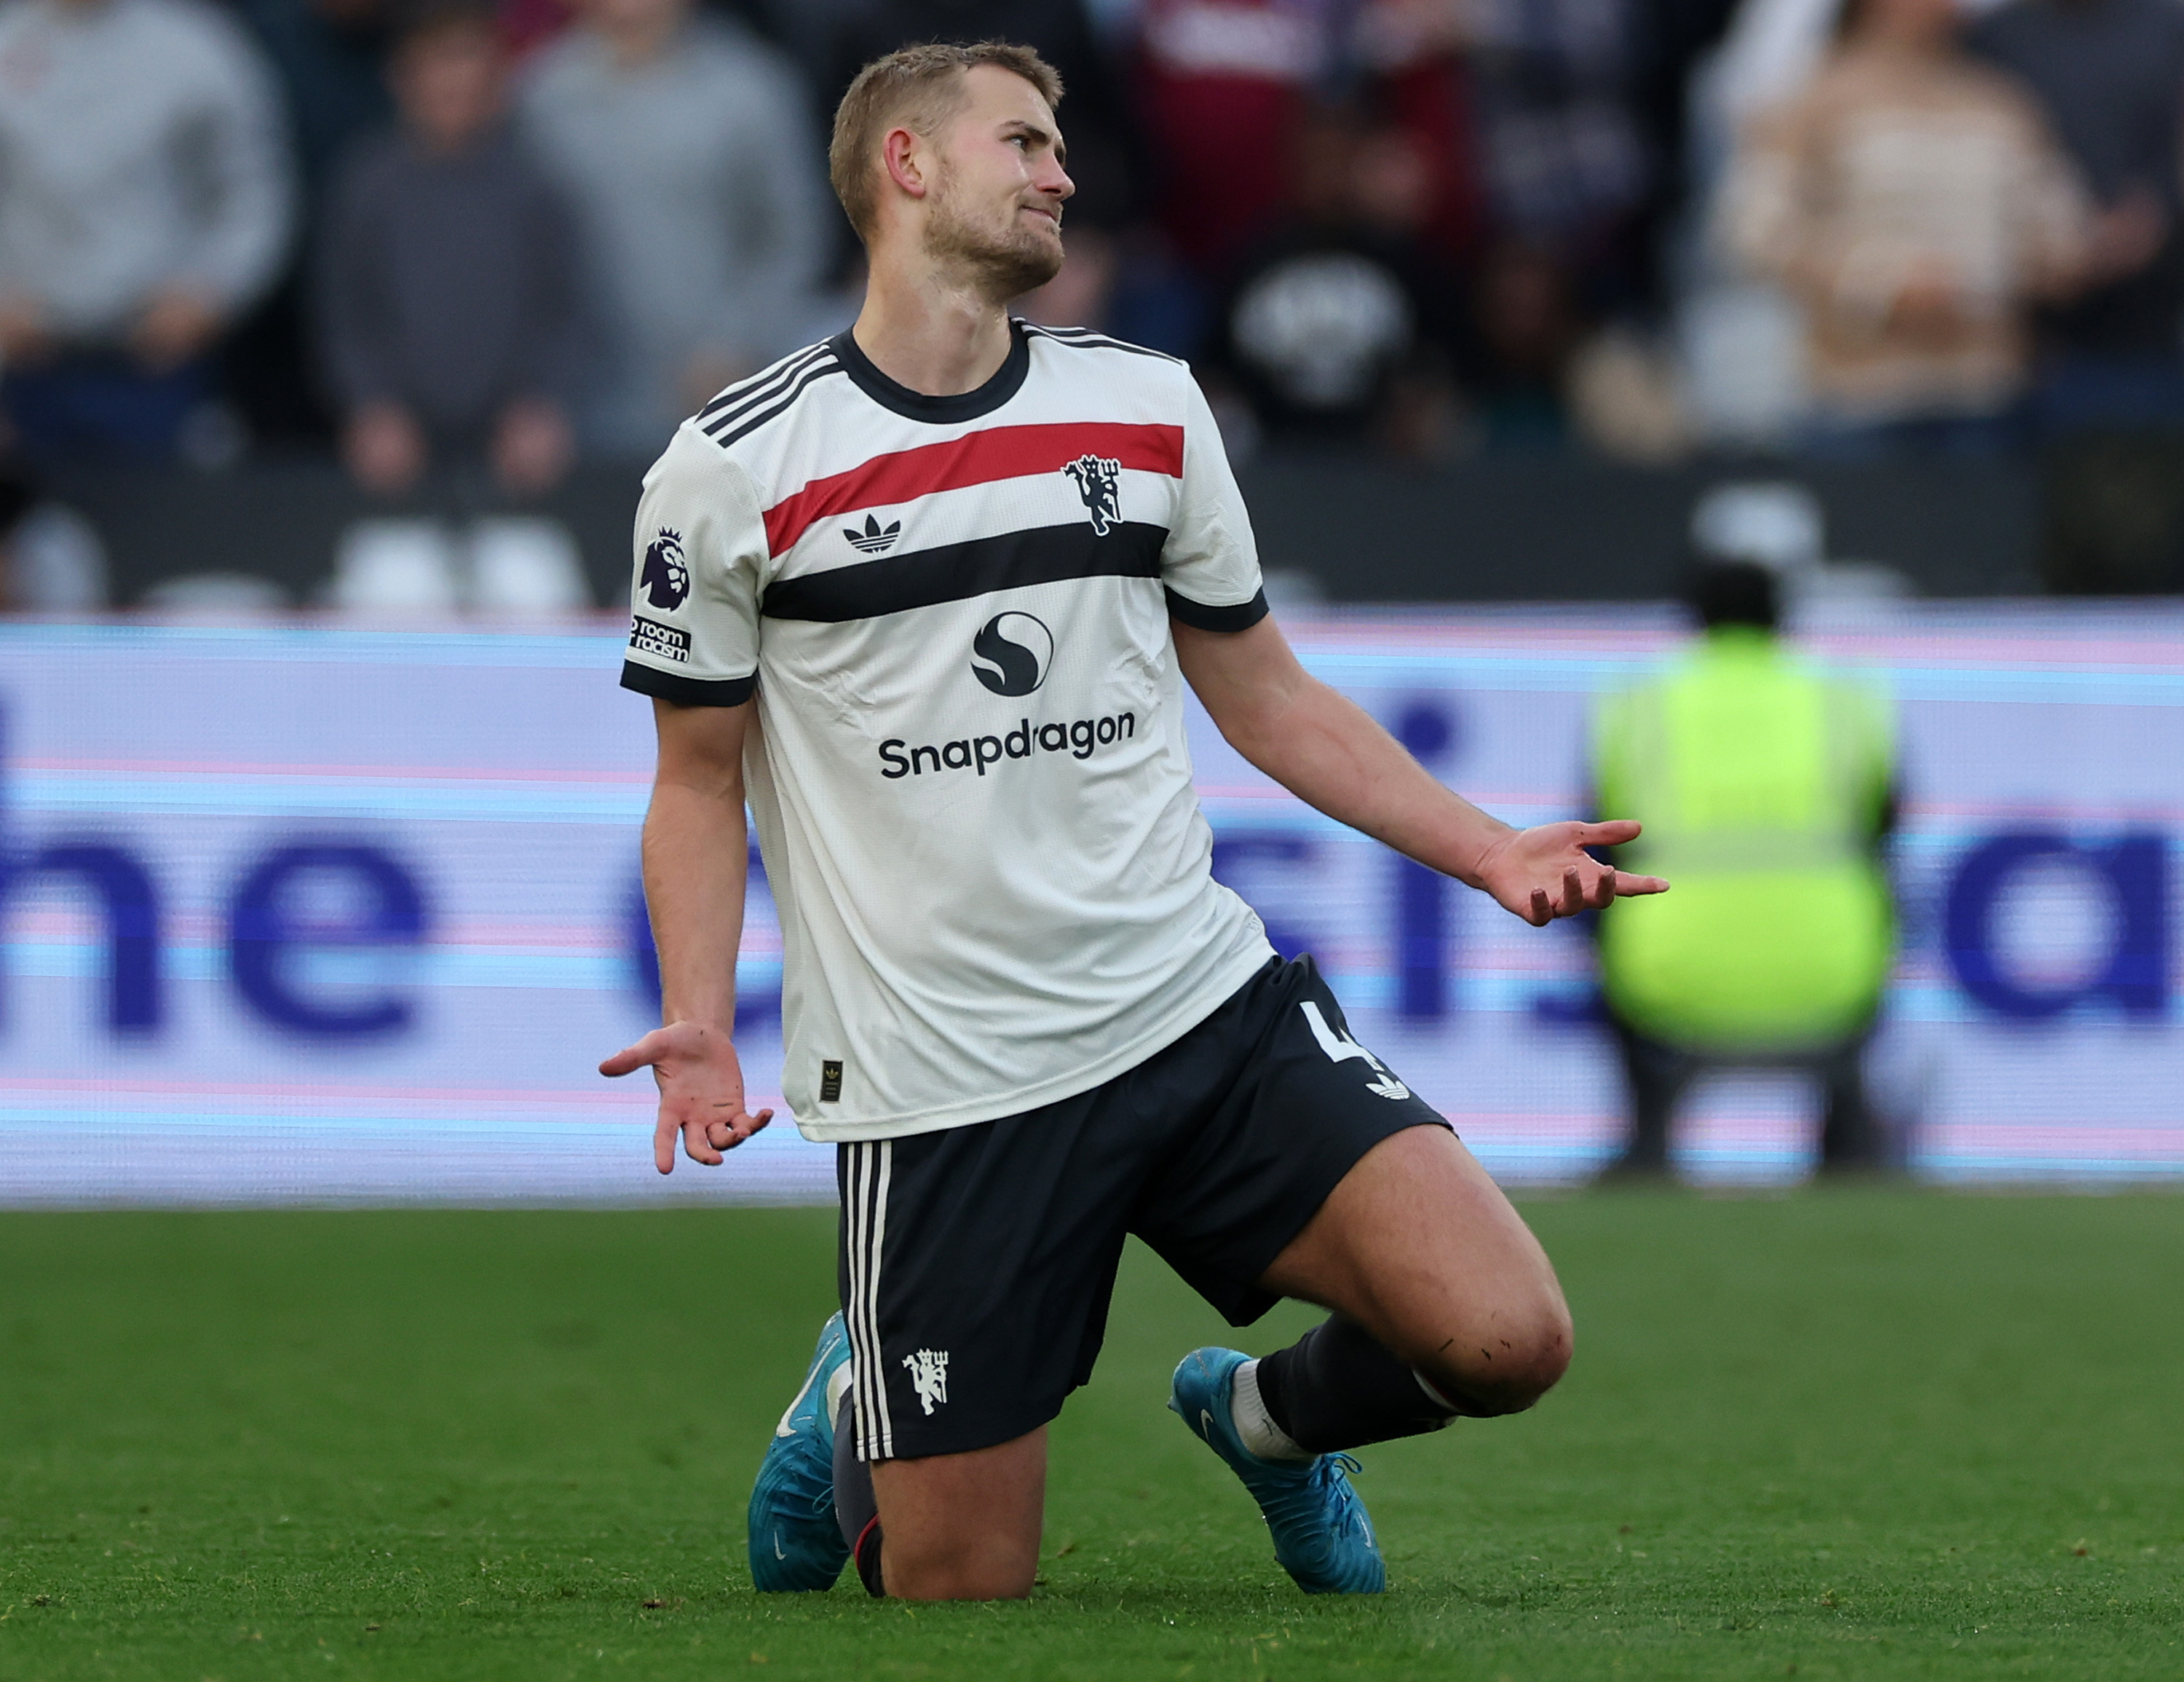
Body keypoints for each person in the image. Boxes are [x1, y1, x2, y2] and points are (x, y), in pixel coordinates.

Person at [600, 41, 1666, 1603]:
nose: (1062, 172)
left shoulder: (1148, 406)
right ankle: (856, 1387)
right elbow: (695, 781)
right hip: (944, 1082)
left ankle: (1270, 1426)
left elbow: (1272, 697)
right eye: (1023, 143)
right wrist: (698, 1017)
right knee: (960, 1591)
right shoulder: (733, 466)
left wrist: (1489, 846)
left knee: (1509, 1339)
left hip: (1199, 1011)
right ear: (907, 167)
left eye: (1060, 146)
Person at [1591, 560, 1896, 1177]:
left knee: (1588, 911)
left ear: (1694, 619)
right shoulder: (1843, 699)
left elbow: (1594, 843)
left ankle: (1645, 1137)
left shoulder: (1640, 705)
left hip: (1669, 980)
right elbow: (1885, 829)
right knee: (1883, 901)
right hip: (1830, 975)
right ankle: (1849, 1142)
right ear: (1782, 617)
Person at [1716, 0, 2091, 457]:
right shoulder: (1814, 100)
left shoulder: (2001, 104)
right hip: (1858, 401)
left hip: (1984, 399)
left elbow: (2059, 232)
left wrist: (2045, 266)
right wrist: (1877, 285)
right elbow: (1756, 232)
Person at [516, 0, 830, 457]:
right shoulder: (541, 99)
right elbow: (515, 252)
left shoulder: (751, 88)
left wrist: (738, 342)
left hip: (725, 401)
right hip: (573, 412)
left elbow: (795, 234)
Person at [0, 0, 292, 465]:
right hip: (26, 362)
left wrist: (211, 291)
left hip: (157, 363)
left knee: (169, 530)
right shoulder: (8, 38)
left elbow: (255, 192)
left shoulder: (196, 48)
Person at [317, 4, 587, 497]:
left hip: (515, 442)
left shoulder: (535, 184)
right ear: (401, 77)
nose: (454, 86)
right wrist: (372, 404)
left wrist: (540, 404)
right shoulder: (366, 184)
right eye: (437, 66)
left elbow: (563, 309)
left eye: (469, 65)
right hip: (397, 443)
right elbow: (345, 311)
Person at [1969, 0, 2184, 436]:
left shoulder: (2168, 27)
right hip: (2023, 335)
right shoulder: (1992, 37)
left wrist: (2148, 215)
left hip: (2153, 320)